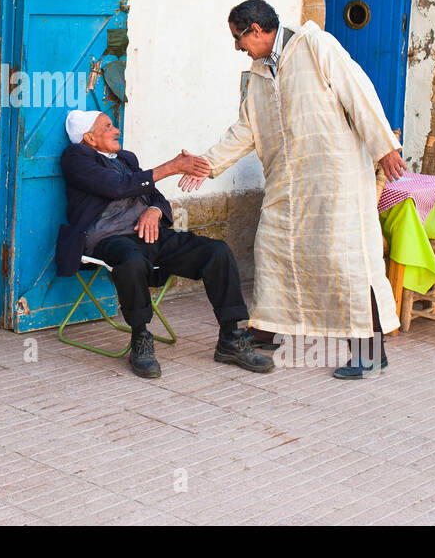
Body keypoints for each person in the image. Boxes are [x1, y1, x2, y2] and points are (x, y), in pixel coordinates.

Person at [180, 0, 408, 379]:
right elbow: (246, 130)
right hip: (288, 183)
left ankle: (371, 352)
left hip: (335, 181)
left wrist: (384, 147)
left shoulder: (316, 46)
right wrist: (208, 164)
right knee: (272, 250)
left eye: (238, 38)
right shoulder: (256, 74)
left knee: (347, 263)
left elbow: (358, 92)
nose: (237, 46)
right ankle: (266, 332)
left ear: (256, 30)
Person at [56, 109, 276, 379]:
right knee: (131, 261)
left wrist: (155, 212)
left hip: (149, 234)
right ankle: (141, 340)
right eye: (108, 127)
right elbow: (116, 186)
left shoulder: (125, 158)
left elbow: (154, 196)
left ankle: (230, 337)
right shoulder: (76, 158)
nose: (117, 130)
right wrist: (171, 167)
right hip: (108, 239)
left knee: (216, 252)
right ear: (89, 138)